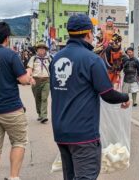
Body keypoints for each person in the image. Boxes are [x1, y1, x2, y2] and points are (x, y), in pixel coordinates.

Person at [50, 14, 130, 180]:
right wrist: (125, 97)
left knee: (70, 176)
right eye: (93, 34)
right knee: (86, 176)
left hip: (60, 131)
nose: (94, 37)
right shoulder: (92, 60)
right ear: (87, 34)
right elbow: (107, 93)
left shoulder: (57, 58)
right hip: (83, 133)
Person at [0, 22, 32, 180]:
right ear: (7, 38)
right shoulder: (10, 55)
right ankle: (13, 177)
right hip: (11, 108)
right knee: (18, 142)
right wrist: (29, 74)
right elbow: (24, 80)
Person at [27, 42, 52, 124]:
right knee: (37, 99)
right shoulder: (33, 58)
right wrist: (30, 78)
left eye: (43, 49)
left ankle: (44, 116)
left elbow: (53, 69)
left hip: (46, 80)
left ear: (45, 50)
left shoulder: (49, 58)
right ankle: (40, 113)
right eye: (39, 49)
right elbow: (29, 69)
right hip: (36, 81)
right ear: (37, 50)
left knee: (44, 98)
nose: (41, 50)